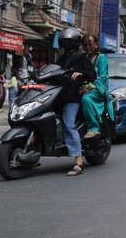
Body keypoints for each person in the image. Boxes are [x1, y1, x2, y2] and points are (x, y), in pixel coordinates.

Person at [55, 27, 96, 176]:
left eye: (68, 41)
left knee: (68, 123)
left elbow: (92, 75)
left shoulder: (82, 57)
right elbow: (53, 71)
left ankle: (78, 161)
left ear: (74, 43)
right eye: (63, 42)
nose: (65, 44)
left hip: (73, 96)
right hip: (59, 95)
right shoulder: (62, 58)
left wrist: (81, 73)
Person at [80, 35, 114, 140]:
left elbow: (102, 78)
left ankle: (93, 128)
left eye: (90, 44)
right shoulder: (83, 58)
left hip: (99, 89)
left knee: (86, 99)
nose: (88, 47)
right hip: (84, 87)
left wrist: (89, 87)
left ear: (96, 45)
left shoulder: (101, 58)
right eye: (85, 45)